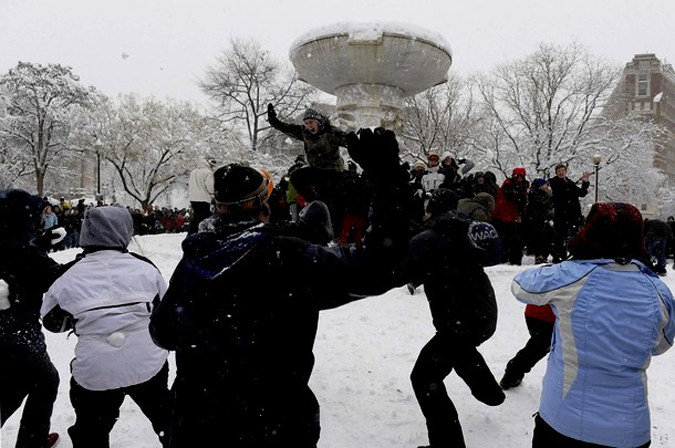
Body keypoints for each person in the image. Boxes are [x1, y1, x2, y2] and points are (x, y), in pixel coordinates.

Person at [149, 128, 412, 448]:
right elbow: (380, 269)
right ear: (264, 204)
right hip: (273, 425)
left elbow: (162, 332)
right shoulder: (285, 257)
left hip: (197, 425)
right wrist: (388, 180)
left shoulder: (194, 258)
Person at [511, 202, 675, 447]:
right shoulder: (657, 291)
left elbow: (521, 286)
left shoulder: (570, 275)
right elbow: (660, 344)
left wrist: (570, 261)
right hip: (629, 429)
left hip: (562, 420)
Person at [41, 206, 170, 447]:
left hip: (97, 371)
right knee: (166, 416)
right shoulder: (145, 267)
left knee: (91, 427)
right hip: (146, 363)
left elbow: (52, 322)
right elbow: (165, 309)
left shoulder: (70, 275)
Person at [405, 188, 505, 448]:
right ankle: (490, 392)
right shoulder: (467, 229)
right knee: (457, 350)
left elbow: (403, 265)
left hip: (458, 322)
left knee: (425, 377)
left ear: (431, 207)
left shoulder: (430, 237)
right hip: (482, 314)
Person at [0, 189, 61, 448]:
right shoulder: (24, 252)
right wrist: (90, 257)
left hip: (7, 328)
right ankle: (32, 442)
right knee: (46, 380)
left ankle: (32, 438)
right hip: (20, 329)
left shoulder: (10, 241)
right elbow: (58, 278)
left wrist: (40, 244)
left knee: (19, 381)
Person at [267, 104, 347, 171]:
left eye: (311, 122)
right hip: (315, 171)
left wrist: (353, 141)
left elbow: (347, 140)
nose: (309, 126)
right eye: (306, 123)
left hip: (333, 172)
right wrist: (273, 121)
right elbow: (287, 128)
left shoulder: (330, 132)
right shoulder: (305, 133)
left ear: (318, 122)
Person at [548, 163, 590, 262]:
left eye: (562, 171)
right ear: (556, 173)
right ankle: (558, 255)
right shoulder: (554, 182)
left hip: (573, 214)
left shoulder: (569, 182)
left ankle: (572, 254)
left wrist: (585, 182)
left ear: (566, 171)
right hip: (561, 214)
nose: (561, 173)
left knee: (574, 235)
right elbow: (559, 193)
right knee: (559, 236)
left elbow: (582, 193)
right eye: (559, 171)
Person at [492, 168, 529, 265]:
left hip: (511, 216)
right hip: (505, 216)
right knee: (510, 239)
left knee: (512, 239)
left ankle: (511, 259)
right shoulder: (509, 185)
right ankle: (509, 259)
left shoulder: (518, 186)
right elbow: (514, 198)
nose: (519, 178)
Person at [523, 178, 554, 264]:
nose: (547, 187)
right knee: (541, 239)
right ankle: (540, 255)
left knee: (542, 239)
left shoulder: (540, 194)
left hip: (539, 220)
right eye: (545, 185)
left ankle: (541, 255)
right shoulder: (535, 194)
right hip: (537, 221)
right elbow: (541, 205)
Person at [187, 156, 217, 234]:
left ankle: (191, 235)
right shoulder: (208, 172)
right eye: (212, 164)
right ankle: (203, 235)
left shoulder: (193, 172)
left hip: (193, 198)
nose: (213, 166)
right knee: (204, 218)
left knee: (196, 218)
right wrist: (213, 193)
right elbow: (210, 188)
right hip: (204, 199)